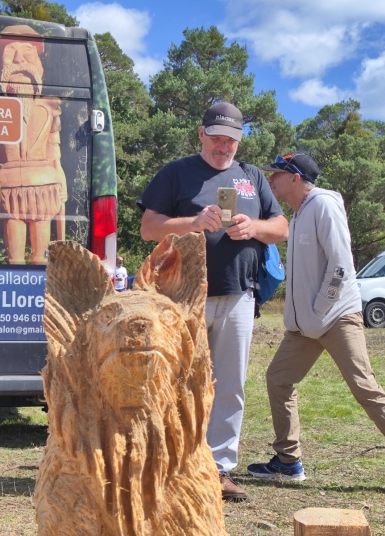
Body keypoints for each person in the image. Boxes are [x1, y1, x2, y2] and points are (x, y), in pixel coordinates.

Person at [247, 152, 385, 500]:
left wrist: (321, 306)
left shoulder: (323, 204)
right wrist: (306, 315)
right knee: (278, 378)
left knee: (365, 388)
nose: (271, 180)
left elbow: (341, 265)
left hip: (337, 317)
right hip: (305, 326)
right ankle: (288, 460)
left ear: (295, 177)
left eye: (276, 174)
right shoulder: (299, 212)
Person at [138, 102, 289, 501]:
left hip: (239, 294)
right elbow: (148, 226)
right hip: (184, 296)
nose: (224, 146)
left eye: (232, 140)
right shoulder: (176, 172)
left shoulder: (252, 176)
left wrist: (254, 226)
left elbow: (281, 227)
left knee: (230, 385)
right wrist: (193, 223)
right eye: (217, 137)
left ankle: (217, 469)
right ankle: (169, 464)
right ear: (201, 134)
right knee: (178, 380)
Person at [0, 25, 67, 265]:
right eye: (10, 52)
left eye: (27, 52)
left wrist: (60, 178)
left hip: (44, 189)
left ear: (39, 65)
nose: (18, 60)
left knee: (41, 257)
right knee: (14, 258)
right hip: (9, 192)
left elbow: (54, 149)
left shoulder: (50, 107)